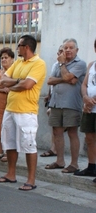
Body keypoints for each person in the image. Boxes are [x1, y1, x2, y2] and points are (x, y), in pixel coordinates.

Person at [0, 35, 46, 191]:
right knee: (9, 142)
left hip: (26, 110)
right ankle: (11, 174)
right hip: (11, 107)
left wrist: (14, 83)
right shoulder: (18, 62)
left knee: (29, 144)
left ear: (27, 47)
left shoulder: (38, 63)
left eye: (19, 46)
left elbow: (28, 84)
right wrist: (18, 82)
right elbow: (4, 79)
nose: (17, 49)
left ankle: (31, 179)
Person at [45, 38, 87, 173]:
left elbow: (71, 79)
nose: (67, 50)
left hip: (71, 103)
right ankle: (60, 161)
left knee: (72, 132)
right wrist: (66, 78)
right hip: (56, 102)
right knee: (57, 131)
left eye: (70, 48)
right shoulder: (57, 64)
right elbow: (50, 80)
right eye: (65, 48)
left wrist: (63, 66)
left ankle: (74, 164)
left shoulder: (80, 64)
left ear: (77, 50)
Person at [75, 38, 96, 181]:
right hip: (90, 109)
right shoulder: (92, 65)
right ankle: (92, 166)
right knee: (89, 137)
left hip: (92, 104)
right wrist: (85, 98)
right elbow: (84, 84)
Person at [41, 45, 64, 158]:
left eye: (61, 51)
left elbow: (67, 79)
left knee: (63, 128)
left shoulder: (68, 65)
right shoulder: (55, 64)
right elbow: (50, 81)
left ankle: (57, 149)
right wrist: (49, 95)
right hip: (53, 99)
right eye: (58, 52)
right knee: (54, 126)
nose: (59, 54)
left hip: (64, 101)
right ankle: (53, 148)